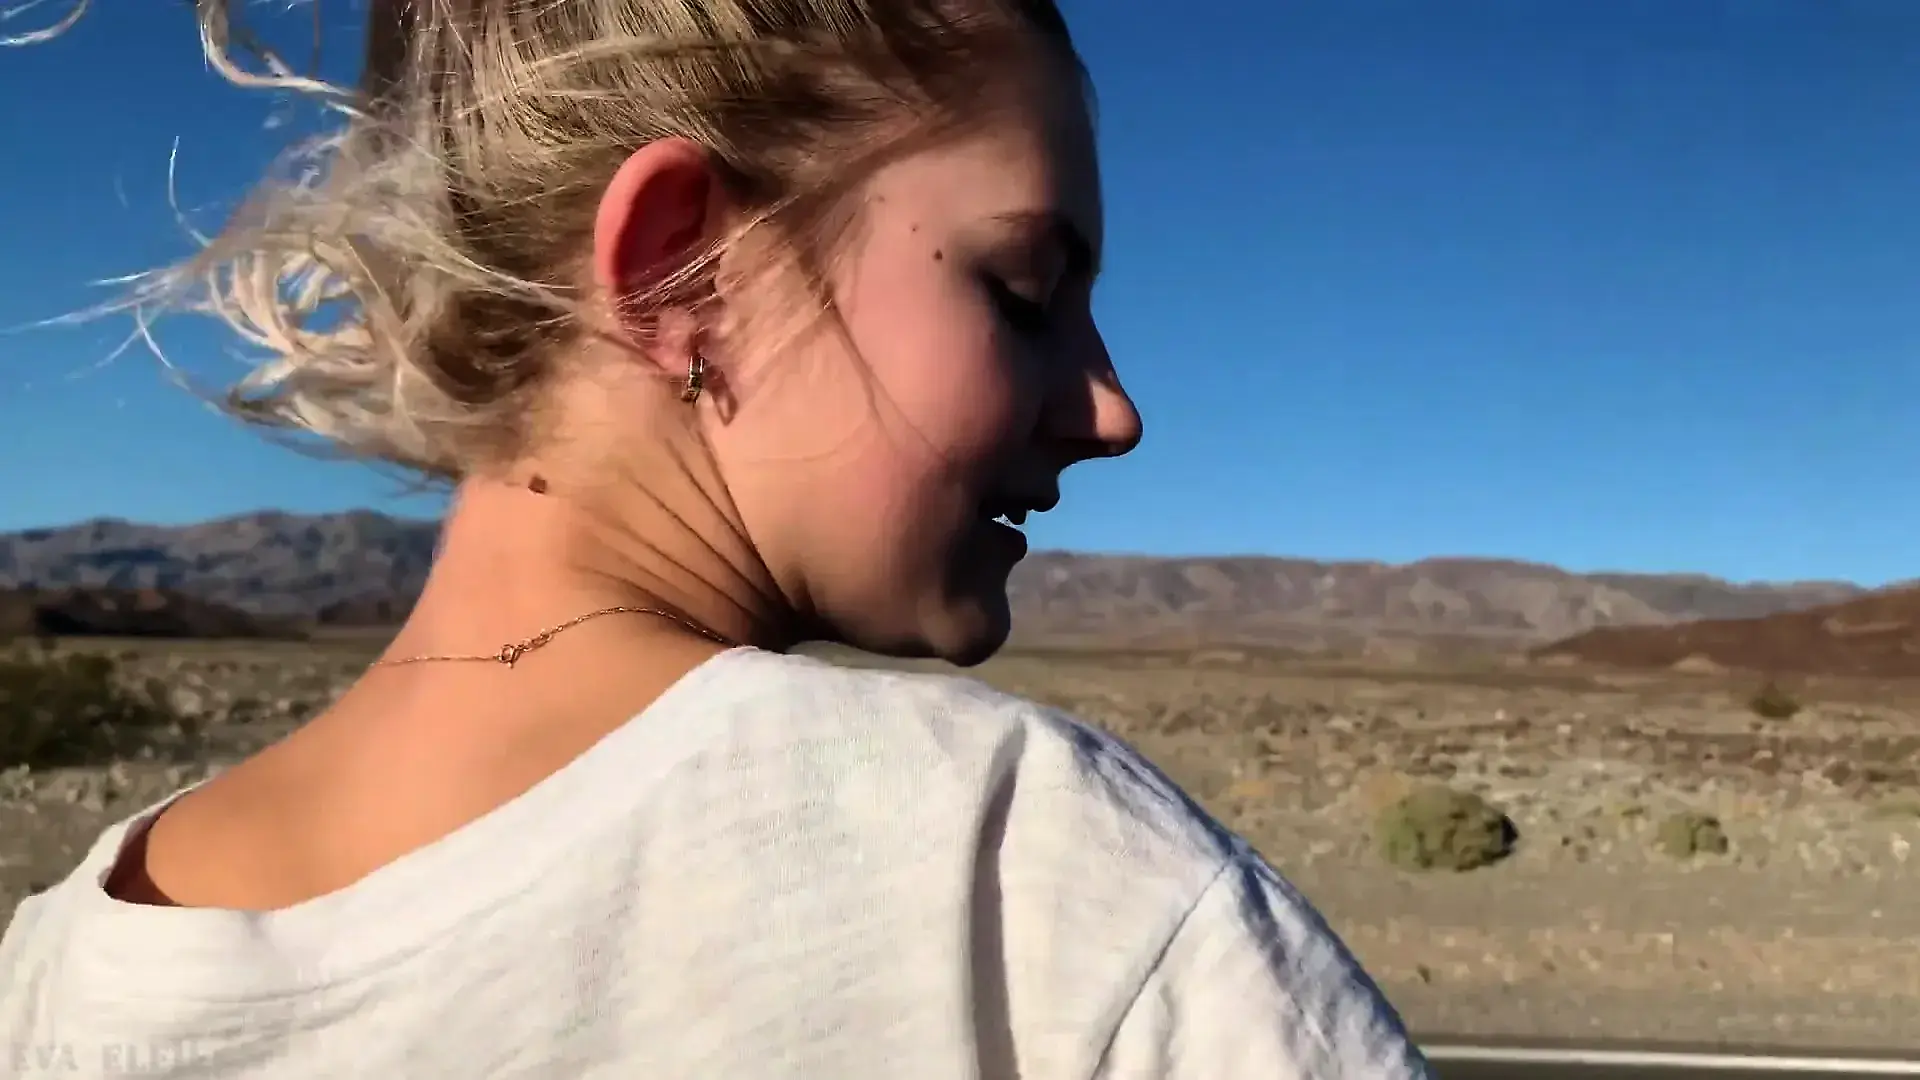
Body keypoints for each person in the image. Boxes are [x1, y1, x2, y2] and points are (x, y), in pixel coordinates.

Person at [0, 2, 1432, 1077]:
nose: (1110, 410)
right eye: (1023, 291)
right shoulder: (1026, 877)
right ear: (684, 270)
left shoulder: (57, 969)